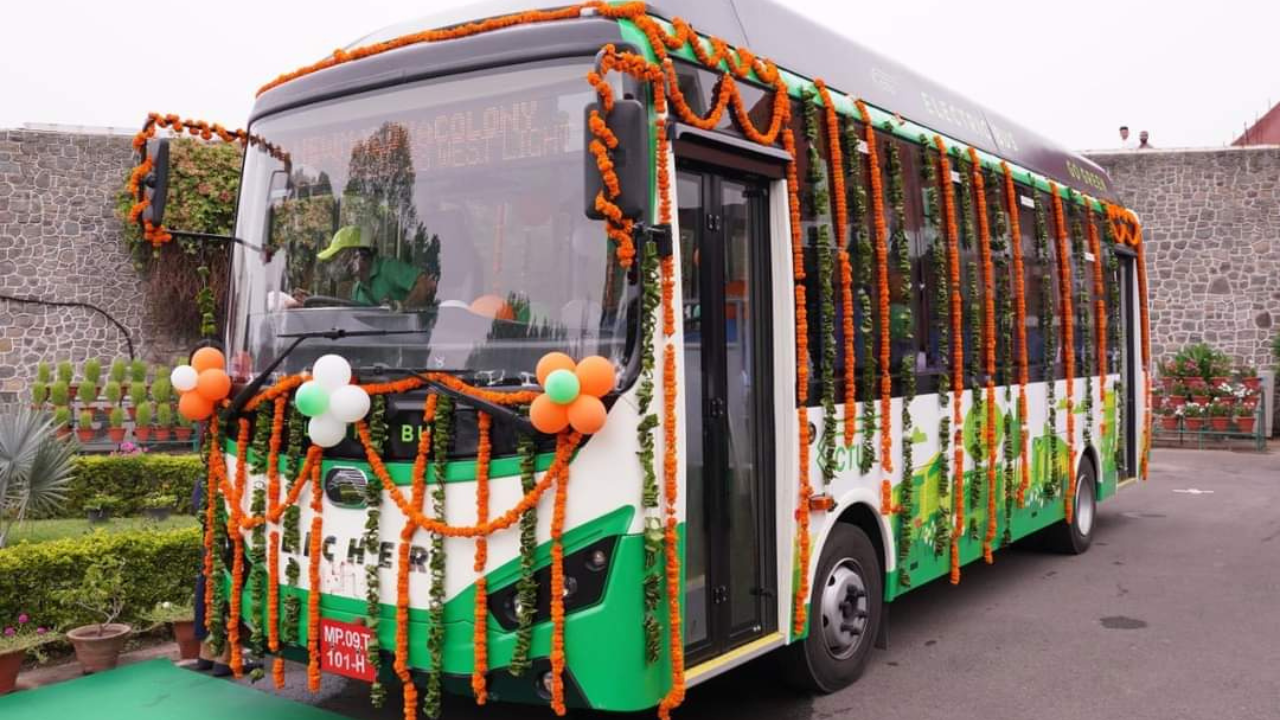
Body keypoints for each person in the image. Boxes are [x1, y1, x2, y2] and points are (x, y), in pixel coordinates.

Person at [294, 225, 437, 308]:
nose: (334, 265)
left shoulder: (388, 268)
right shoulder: (358, 289)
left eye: (338, 257)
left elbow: (426, 284)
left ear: (358, 255)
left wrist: (402, 312)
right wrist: (316, 303)